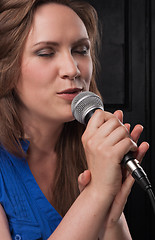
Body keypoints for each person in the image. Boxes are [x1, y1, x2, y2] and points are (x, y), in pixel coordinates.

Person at [0, 0, 149, 239]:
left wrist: (111, 217)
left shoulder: (91, 154)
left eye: (81, 50)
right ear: (6, 67)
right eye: (46, 53)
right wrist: (96, 194)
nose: (72, 69)